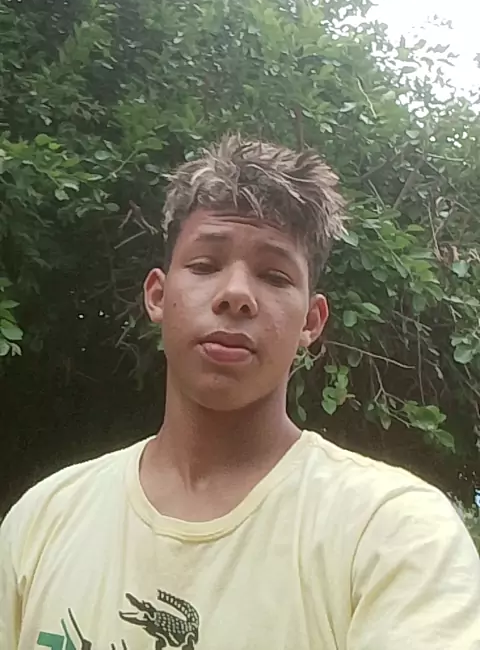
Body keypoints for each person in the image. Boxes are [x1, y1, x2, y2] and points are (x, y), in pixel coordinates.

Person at [1, 135, 479, 650]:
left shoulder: (394, 532)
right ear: (158, 295)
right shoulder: (44, 519)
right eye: (205, 266)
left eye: (274, 275)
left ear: (311, 321)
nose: (235, 295)